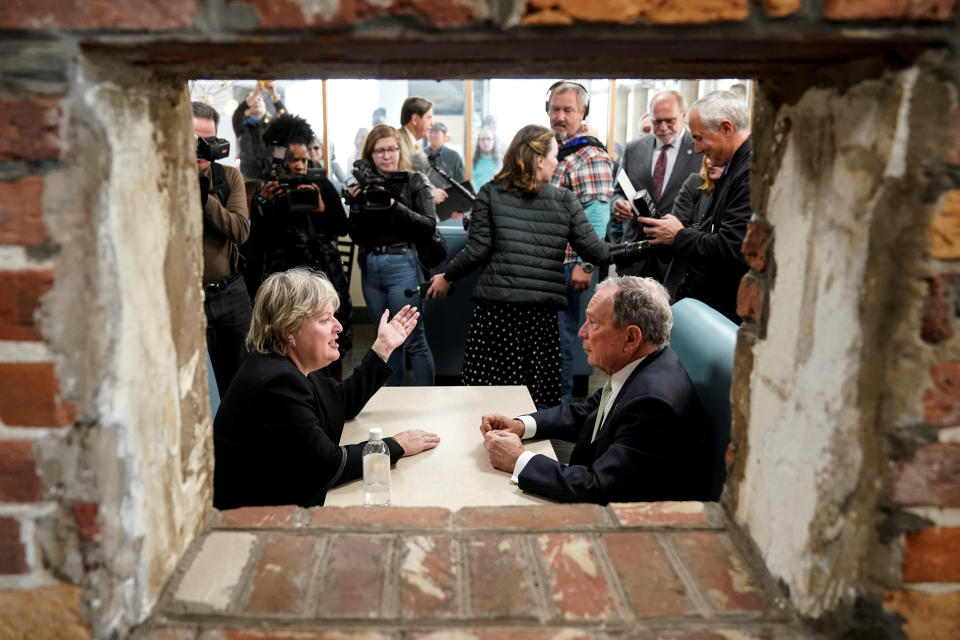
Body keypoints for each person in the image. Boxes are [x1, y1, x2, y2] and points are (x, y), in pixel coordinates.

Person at [213, 268, 439, 509]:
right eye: (325, 320)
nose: (339, 327)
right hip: (253, 525)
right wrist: (395, 445)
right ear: (290, 330)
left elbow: (340, 404)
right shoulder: (275, 383)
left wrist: (383, 347)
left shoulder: (297, 363)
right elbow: (327, 465)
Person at [479, 276, 711, 504]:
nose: (581, 332)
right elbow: (591, 412)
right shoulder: (648, 362)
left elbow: (599, 490)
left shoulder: (653, 404)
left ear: (631, 338)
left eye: (593, 323)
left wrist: (518, 460)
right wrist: (519, 425)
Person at [426, 125, 612, 408]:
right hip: (540, 317)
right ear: (538, 159)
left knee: (485, 395)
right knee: (535, 398)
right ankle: (527, 451)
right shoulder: (564, 200)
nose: (557, 161)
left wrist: (447, 277)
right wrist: (648, 244)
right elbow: (597, 251)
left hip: (496, 314)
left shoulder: (490, 193)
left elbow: (478, 249)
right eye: (554, 155)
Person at [246, 114, 354, 376]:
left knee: (329, 348)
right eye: (293, 159)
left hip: (323, 279)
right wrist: (262, 205)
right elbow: (256, 242)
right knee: (286, 348)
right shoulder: (270, 189)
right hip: (284, 282)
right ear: (279, 159)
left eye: (304, 159)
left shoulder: (321, 184)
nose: (299, 165)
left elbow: (342, 228)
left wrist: (321, 208)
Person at [638, 90, 752, 323]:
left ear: (726, 128)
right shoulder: (735, 165)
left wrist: (679, 236)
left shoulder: (749, 171)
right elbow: (713, 228)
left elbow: (731, 246)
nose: (697, 149)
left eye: (699, 138)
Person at [348, 124, 438, 386]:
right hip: (371, 267)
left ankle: (426, 405)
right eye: (380, 151)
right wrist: (355, 206)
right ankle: (394, 404)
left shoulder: (414, 180)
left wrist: (394, 206)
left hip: (404, 266)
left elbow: (428, 224)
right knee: (387, 340)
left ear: (400, 150)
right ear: (370, 154)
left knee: (413, 340)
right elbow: (357, 237)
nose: (387, 156)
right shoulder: (364, 187)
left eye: (392, 149)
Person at [547, 80, 614, 405]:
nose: (560, 116)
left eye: (567, 110)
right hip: (552, 264)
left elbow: (598, 215)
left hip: (573, 266)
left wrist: (586, 265)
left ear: (582, 111)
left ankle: (558, 412)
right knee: (553, 339)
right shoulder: (558, 149)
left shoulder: (590, 154)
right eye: (555, 109)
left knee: (563, 339)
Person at [193, 101, 252, 396]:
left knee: (242, 378)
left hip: (230, 294)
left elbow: (240, 230)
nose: (203, 147)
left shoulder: (228, 178)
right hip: (190, 297)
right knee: (198, 382)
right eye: (195, 139)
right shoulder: (164, 180)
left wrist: (203, 196)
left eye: (210, 139)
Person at [611, 89, 703, 280]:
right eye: (656, 121)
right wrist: (618, 204)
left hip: (676, 261)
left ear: (683, 117)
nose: (662, 127)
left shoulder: (699, 151)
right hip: (634, 256)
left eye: (669, 120)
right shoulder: (634, 148)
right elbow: (619, 191)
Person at [232, 80, 286, 179]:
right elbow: (237, 115)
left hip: (274, 176)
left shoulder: (274, 125)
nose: (256, 101)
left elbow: (286, 119)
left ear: (265, 105)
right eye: (253, 100)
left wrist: (273, 93)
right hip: (250, 178)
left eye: (259, 99)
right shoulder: (242, 126)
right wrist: (255, 93)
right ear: (248, 108)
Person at [399, 96, 448, 205]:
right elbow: (407, 177)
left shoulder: (414, 143)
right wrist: (430, 193)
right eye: (429, 117)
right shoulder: (398, 142)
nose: (432, 124)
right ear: (415, 119)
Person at [471, 125, 501, 190]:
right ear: (478, 142)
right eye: (482, 139)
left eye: (488, 139)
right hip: (476, 198)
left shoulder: (502, 161)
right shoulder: (471, 162)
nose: (485, 142)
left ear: (494, 141)